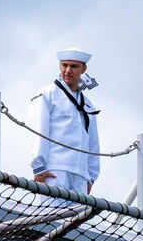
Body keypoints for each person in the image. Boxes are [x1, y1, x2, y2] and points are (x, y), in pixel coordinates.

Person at [29, 48, 100, 196]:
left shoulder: (87, 104)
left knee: (75, 219)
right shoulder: (47, 94)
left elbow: (93, 142)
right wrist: (39, 166)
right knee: (50, 217)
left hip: (80, 175)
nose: (68, 70)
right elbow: (39, 131)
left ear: (83, 69)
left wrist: (91, 176)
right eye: (64, 65)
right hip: (54, 170)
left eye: (74, 66)